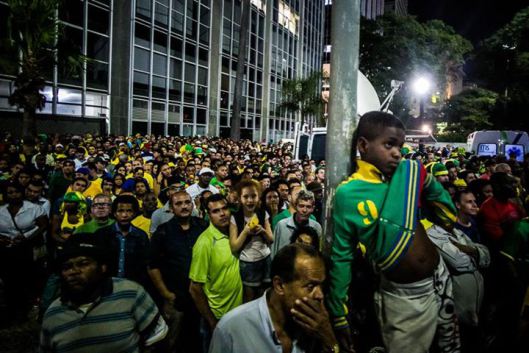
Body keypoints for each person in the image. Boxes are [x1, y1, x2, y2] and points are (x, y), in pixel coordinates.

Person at [327, 111, 460, 353]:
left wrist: (428, 181)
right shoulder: (349, 192)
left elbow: (449, 215)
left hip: (440, 277)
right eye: (389, 144)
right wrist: (339, 313)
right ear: (363, 145)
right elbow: (341, 255)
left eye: (400, 145)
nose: (398, 153)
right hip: (404, 296)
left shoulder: (406, 175)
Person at [39, 234, 168, 353]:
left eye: (83, 264)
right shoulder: (53, 315)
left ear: (103, 267)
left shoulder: (130, 293)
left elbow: (157, 339)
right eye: (67, 267)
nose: (74, 271)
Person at [209, 244, 339, 353]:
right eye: (310, 287)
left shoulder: (319, 327)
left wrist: (330, 341)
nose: (320, 295)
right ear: (280, 285)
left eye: (322, 286)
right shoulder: (231, 329)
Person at [148, 191, 208, 352]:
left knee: (200, 340)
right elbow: (153, 266)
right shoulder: (163, 231)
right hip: (176, 297)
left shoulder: (203, 226)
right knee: (174, 342)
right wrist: (166, 295)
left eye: (187, 202)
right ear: (171, 208)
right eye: (179, 203)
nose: (184, 206)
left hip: (202, 295)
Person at [189, 194, 243, 352]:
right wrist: (212, 322)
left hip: (239, 313)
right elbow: (194, 288)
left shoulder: (237, 233)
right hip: (218, 316)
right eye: (216, 211)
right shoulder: (205, 242)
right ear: (208, 215)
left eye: (225, 208)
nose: (222, 214)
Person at [0, 181, 48, 324]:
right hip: (5, 251)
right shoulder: (1, 210)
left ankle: (23, 312)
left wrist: (26, 237)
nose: (14, 195)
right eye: (10, 192)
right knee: (8, 282)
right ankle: (9, 312)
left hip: (25, 250)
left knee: (24, 280)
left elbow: (43, 225)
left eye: (17, 192)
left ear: (22, 193)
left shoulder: (34, 209)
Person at [229, 180, 274, 302]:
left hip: (265, 258)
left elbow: (271, 239)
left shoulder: (262, 213)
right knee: (249, 297)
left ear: (259, 197)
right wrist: (245, 232)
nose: (250, 200)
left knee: (264, 295)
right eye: (245, 197)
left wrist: (263, 231)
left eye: (253, 196)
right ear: (239, 198)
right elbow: (234, 247)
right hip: (248, 263)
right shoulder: (235, 218)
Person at [94, 195, 150, 287]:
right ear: (114, 213)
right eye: (120, 211)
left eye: (129, 211)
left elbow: (145, 264)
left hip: (133, 286)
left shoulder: (141, 236)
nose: (124, 215)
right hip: (106, 286)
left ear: (134, 213)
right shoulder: (102, 234)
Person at [271, 189, 322, 259]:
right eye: (301, 206)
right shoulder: (282, 225)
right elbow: (274, 252)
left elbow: (317, 254)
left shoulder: (316, 227)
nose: (304, 210)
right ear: (296, 206)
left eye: (308, 207)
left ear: (313, 208)